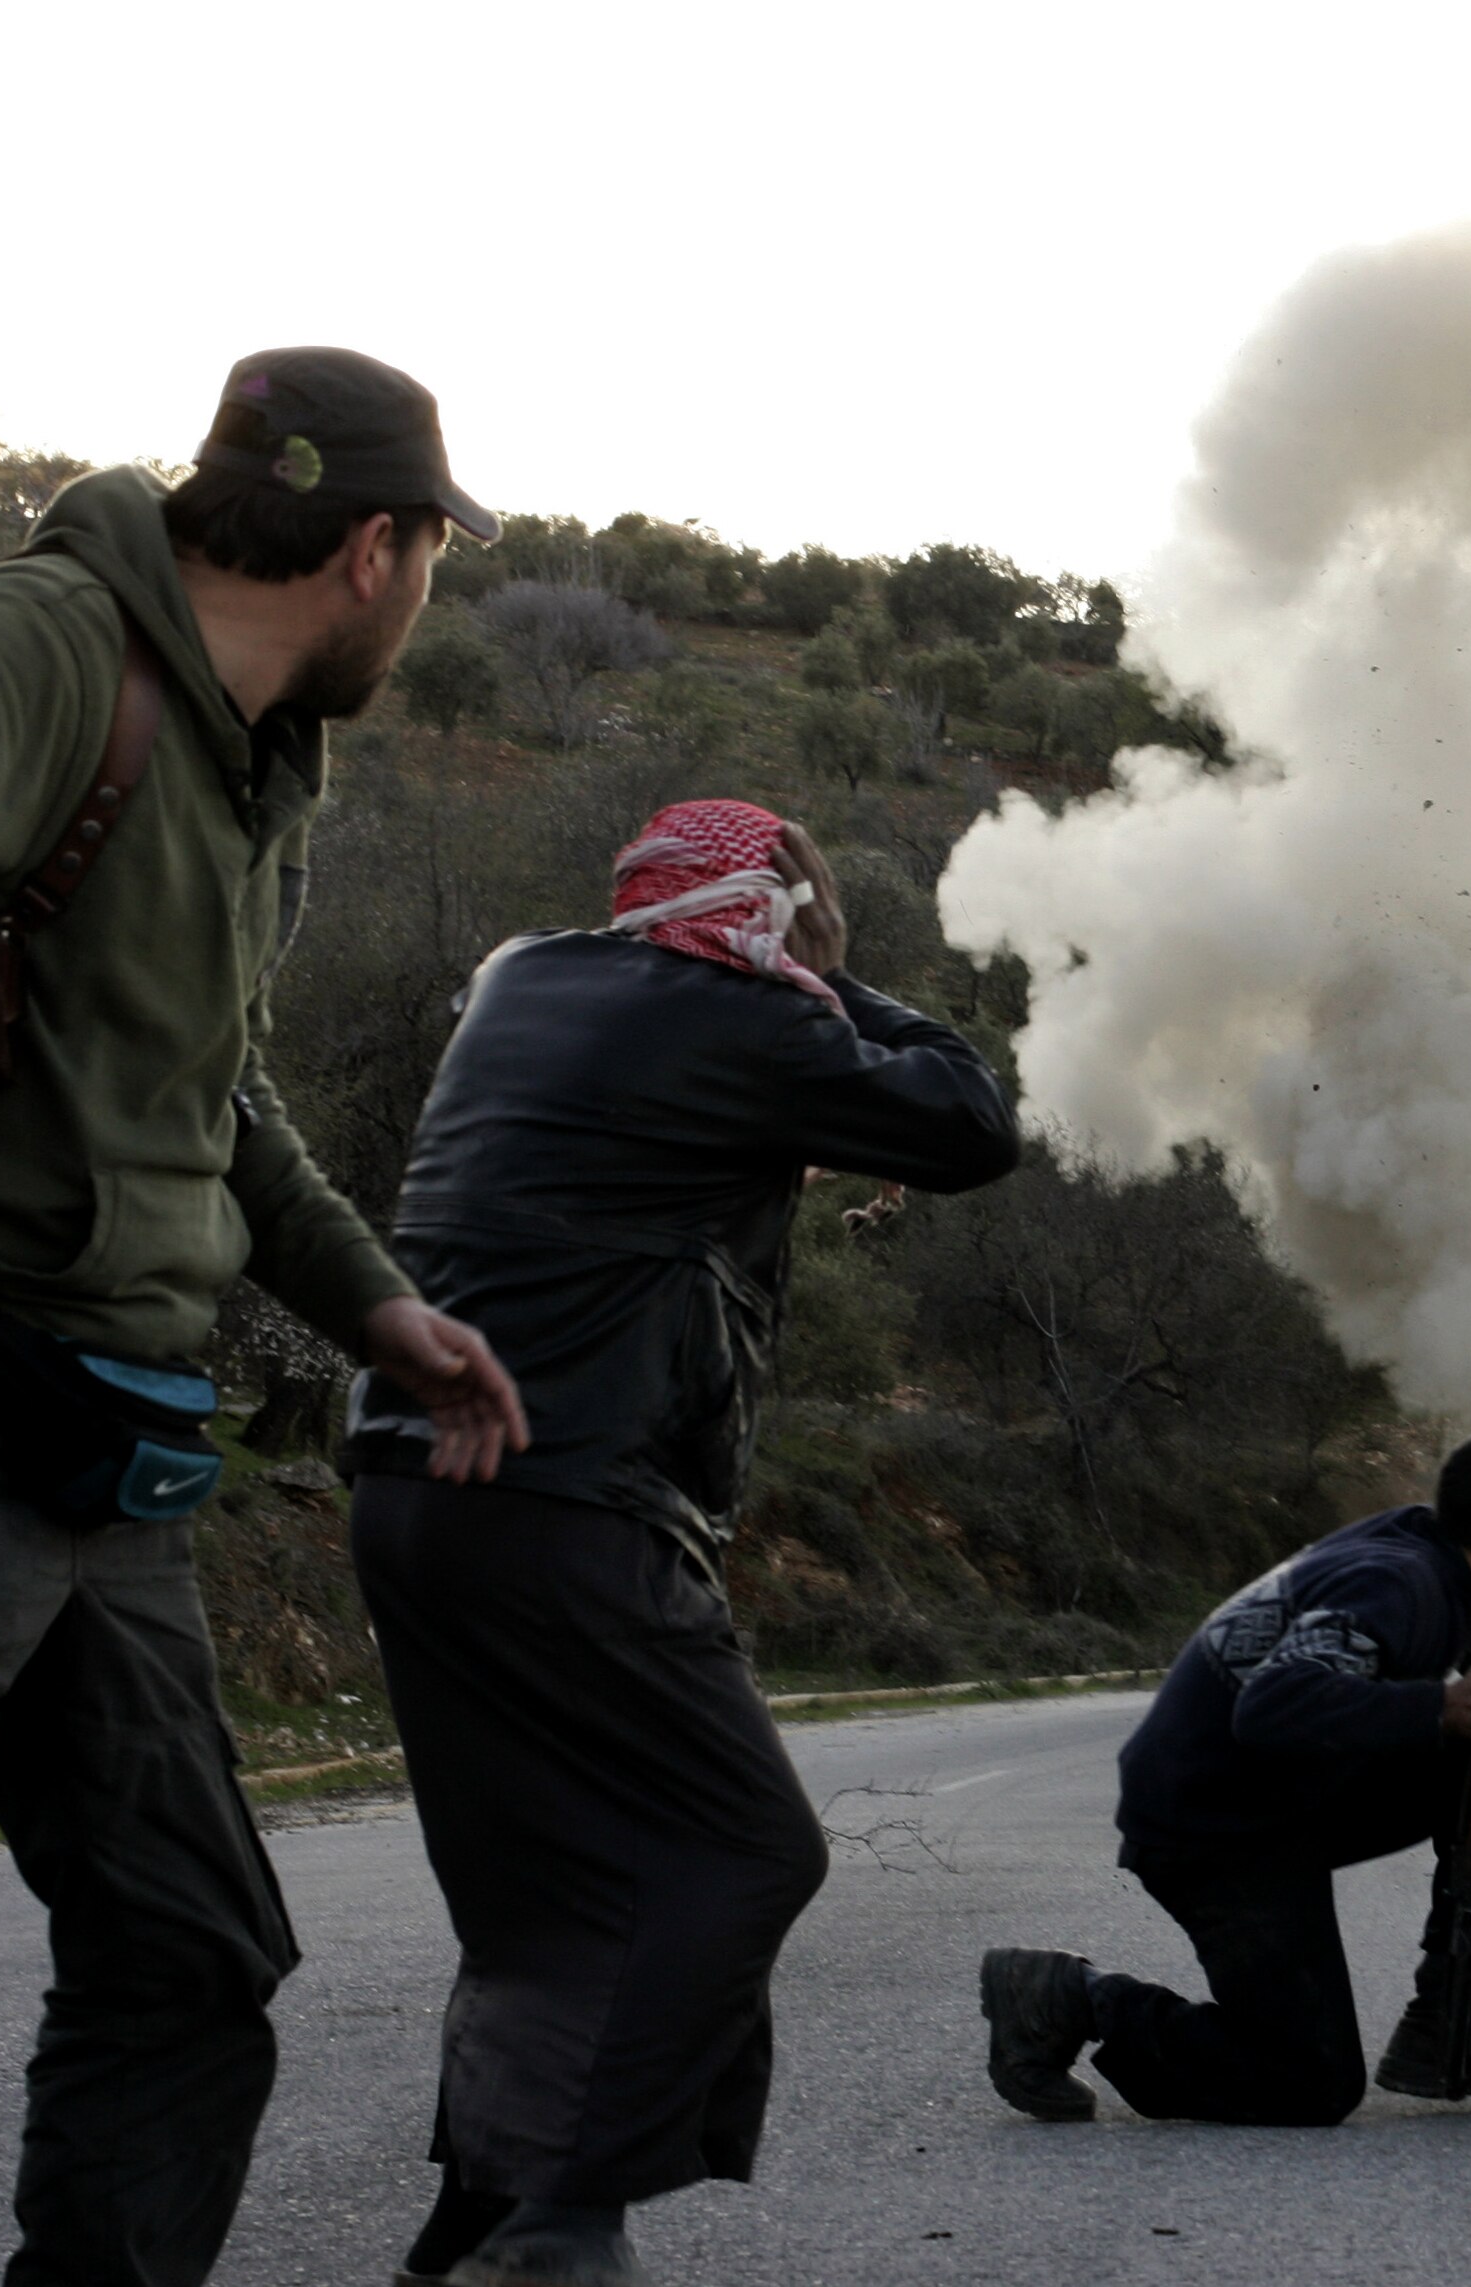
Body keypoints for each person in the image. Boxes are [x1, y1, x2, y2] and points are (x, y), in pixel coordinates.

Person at [0, 348, 528, 2287]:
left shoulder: (249, 763)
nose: (423, 597)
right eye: (432, 563)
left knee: (189, 1953)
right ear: (376, 551)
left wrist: (379, 1307)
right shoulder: (56, 643)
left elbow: (206, 1099)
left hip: (102, 1438)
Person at [343, 798, 1018, 2287]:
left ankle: (471, 2227)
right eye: (804, 909)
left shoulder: (525, 969)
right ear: (776, 909)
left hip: (407, 1490)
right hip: (566, 1497)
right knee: (744, 1848)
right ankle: (567, 2219)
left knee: (538, 1889)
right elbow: (972, 1122)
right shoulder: (751, 1020)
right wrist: (834, 964)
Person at [978, 1430, 1471, 2127]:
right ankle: (1071, 1998)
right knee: (1308, 2080)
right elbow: (1273, 1703)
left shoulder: (1428, 1558)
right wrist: (1438, 1703)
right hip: (1210, 1828)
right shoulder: (1399, 1581)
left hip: (1265, 1800)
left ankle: (1450, 2029)